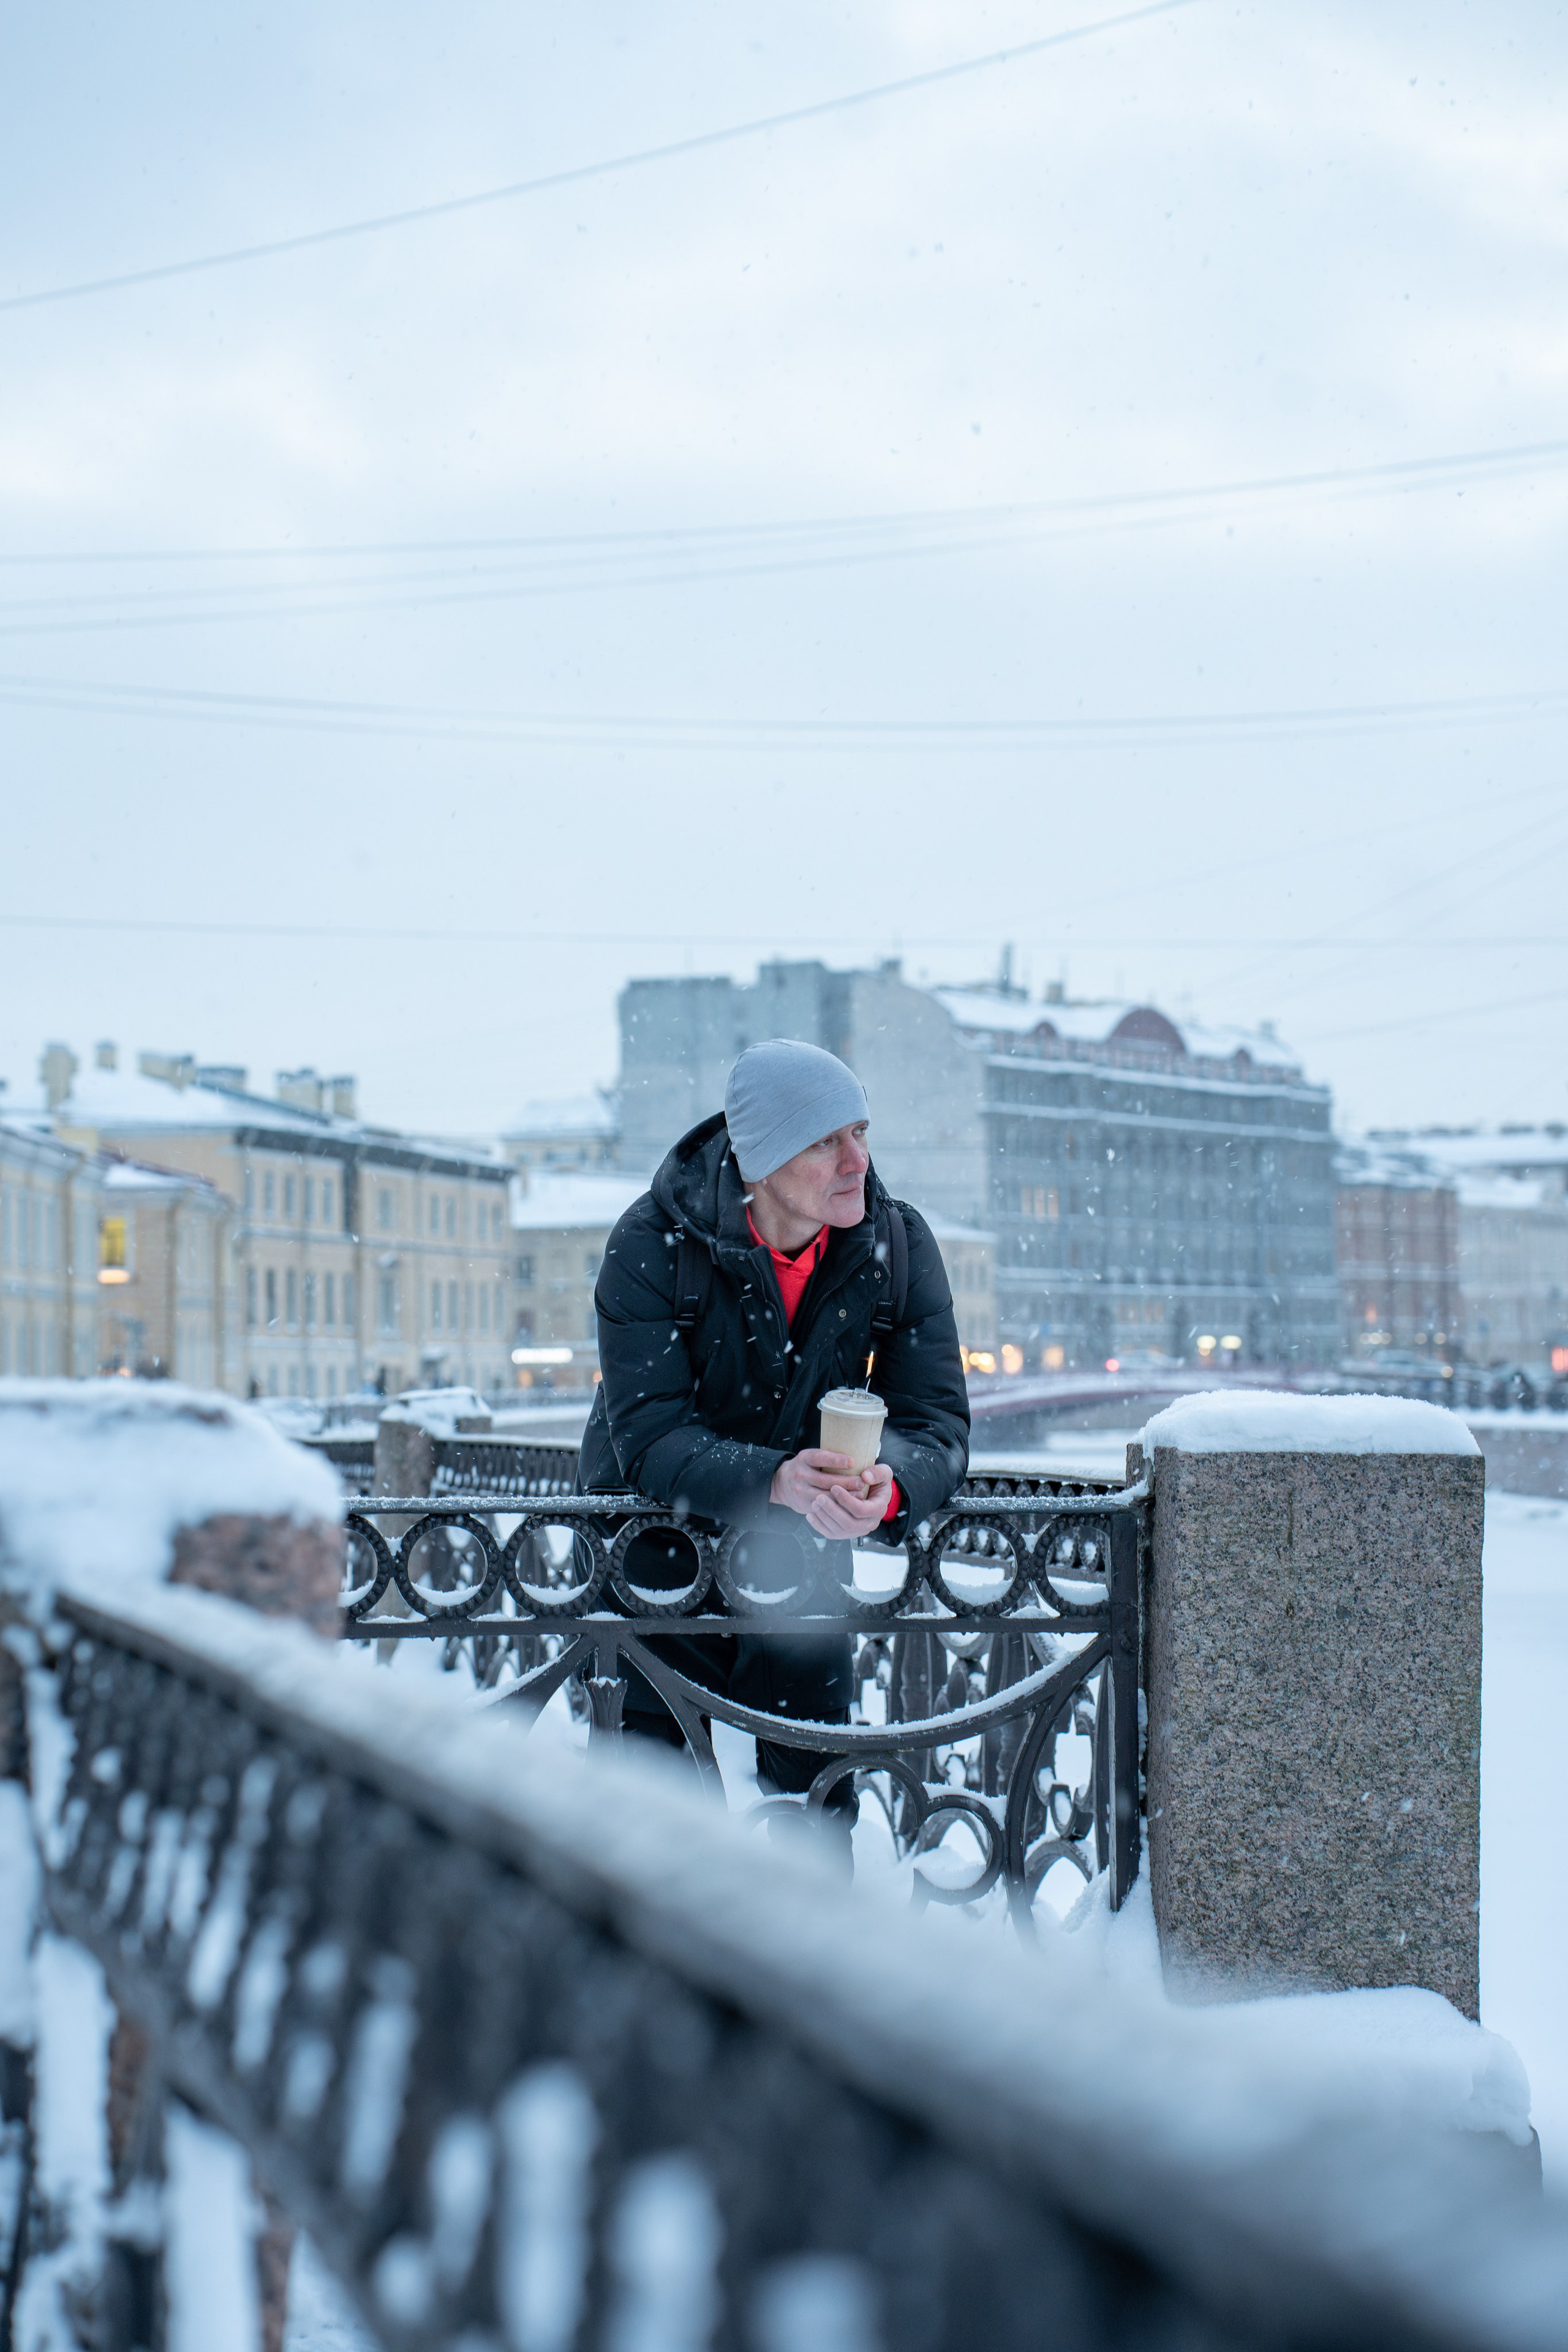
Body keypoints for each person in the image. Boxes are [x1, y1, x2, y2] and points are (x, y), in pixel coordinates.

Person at [578, 1036, 970, 1804]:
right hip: (657, 1554)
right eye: (826, 1142)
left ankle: (805, 1930)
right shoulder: (650, 1246)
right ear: (759, 1164)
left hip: (805, 1558)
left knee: (815, 1811)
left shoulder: (894, 1242)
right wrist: (773, 1480)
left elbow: (936, 1424)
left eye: (859, 1132)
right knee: (657, 1820)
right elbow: (648, 1438)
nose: (857, 1160)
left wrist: (888, 1493)